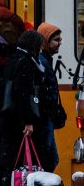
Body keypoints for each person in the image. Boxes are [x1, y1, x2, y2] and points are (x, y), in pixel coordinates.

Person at [0, 30, 46, 186]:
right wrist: (28, 121)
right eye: (39, 45)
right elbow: (22, 93)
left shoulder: (13, 60)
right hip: (16, 125)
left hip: (8, 123)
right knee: (14, 170)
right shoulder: (24, 62)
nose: (40, 49)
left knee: (10, 170)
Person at [36, 22, 66, 172]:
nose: (60, 43)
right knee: (49, 158)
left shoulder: (44, 60)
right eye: (56, 40)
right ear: (45, 41)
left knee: (50, 158)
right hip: (45, 118)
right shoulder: (43, 61)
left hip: (46, 117)